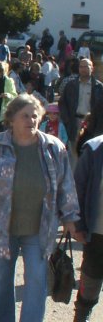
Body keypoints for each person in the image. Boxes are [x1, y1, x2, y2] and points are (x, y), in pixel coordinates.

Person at [0, 94, 84, 322]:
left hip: (40, 227)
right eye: (25, 115)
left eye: (35, 115)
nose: (31, 120)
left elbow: (65, 183)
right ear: (11, 119)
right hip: (0, 227)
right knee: (0, 282)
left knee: (37, 282)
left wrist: (69, 217)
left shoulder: (53, 147)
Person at [74, 133, 103, 321]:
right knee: (91, 278)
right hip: (99, 231)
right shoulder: (94, 148)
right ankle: (82, 315)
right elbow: (78, 186)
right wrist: (78, 223)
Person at [60, 59, 103, 159]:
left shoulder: (99, 87)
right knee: (73, 154)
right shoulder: (71, 85)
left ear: (92, 68)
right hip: (73, 121)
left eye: (86, 66)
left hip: (91, 124)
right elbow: (62, 104)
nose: (83, 69)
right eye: (81, 67)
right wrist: (66, 120)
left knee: (89, 152)